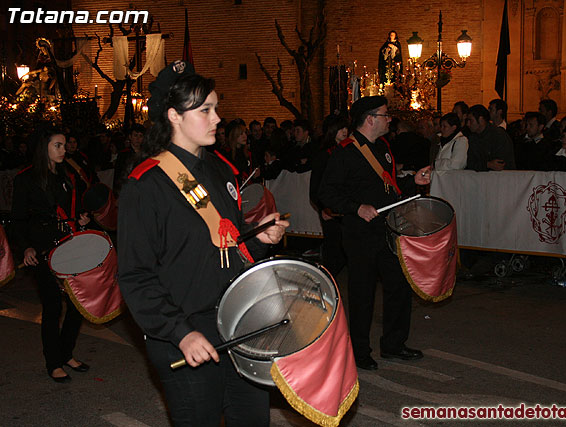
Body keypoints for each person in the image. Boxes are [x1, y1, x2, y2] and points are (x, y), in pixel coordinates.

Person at [117, 61, 288, 426]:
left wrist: (259, 238)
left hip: (236, 324)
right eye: (205, 110)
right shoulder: (145, 185)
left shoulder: (221, 169)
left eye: (216, 108)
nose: (217, 119)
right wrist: (181, 333)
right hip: (186, 332)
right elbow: (136, 276)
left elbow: (230, 247)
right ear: (174, 116)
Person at [318, 96, 431, 371]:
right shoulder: (345, 152)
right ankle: (359, 350)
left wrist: (413, 183)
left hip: (387, 230)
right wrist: (356, 208)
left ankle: (393, 344)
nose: (389, 119)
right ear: (370, 119)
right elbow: (326, 193)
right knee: (362, 293)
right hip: (360, 234)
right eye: (384, 115)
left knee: (398, 286)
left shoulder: (383, 147)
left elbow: (387, 189)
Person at [12, 124, 91, 382]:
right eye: (57, 145)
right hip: (42, 249)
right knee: (53, 305)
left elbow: (75, 206)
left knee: (78, 304)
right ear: (43, 148)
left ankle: (66, 352)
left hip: (69, 245)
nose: (63, 149)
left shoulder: (67, 175)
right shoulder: (25, 179)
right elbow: (18, 220)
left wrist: (81, 218)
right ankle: (53, 362)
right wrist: (26, 247)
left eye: (64, 144)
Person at [309, 114, 349, 277]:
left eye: (346, 128)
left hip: (345, 207)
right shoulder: (324, 155)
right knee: (334, 251)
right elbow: (315, 187)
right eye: (340, 128)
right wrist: (323, 208)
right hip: (330, 210)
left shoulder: (348, 151)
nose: (345, 131)